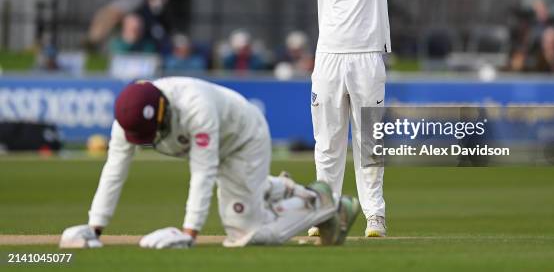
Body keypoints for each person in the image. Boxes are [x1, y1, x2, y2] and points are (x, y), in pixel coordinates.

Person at [59, 78, 360, 249]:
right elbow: (114, 170)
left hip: (244, 137)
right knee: (242, 191)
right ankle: (297, 192)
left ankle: (325, 205)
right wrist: (94, 227)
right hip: (225, 147)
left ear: (163, 109)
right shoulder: (128, 117)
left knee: (244, 234)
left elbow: (203, 172)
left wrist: (189, 233)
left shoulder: (195, 108)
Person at [281, 0, 402, 237]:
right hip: (329, 59)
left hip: (367, 57)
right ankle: (324, 214)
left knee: (368, 142)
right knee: (328, 143)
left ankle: (375, 215)